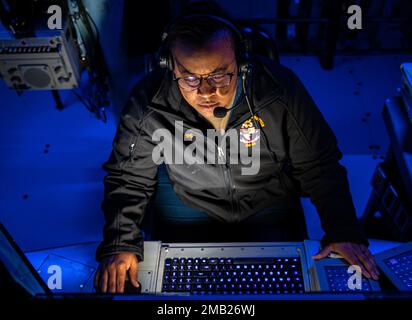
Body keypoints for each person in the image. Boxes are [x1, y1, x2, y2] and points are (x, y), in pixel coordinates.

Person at [94, 13, 379, 293]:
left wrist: (344, 232)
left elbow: (319, 165)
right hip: (189, 202)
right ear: (171, 67)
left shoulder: (280, 91)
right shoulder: (147, 102)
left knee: (286, 287)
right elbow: (127, 177)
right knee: (172, 289)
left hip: (267, 200)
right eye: (190, 77)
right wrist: (120, 242)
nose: (206, 92)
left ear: (241, 64)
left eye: (219, 74)